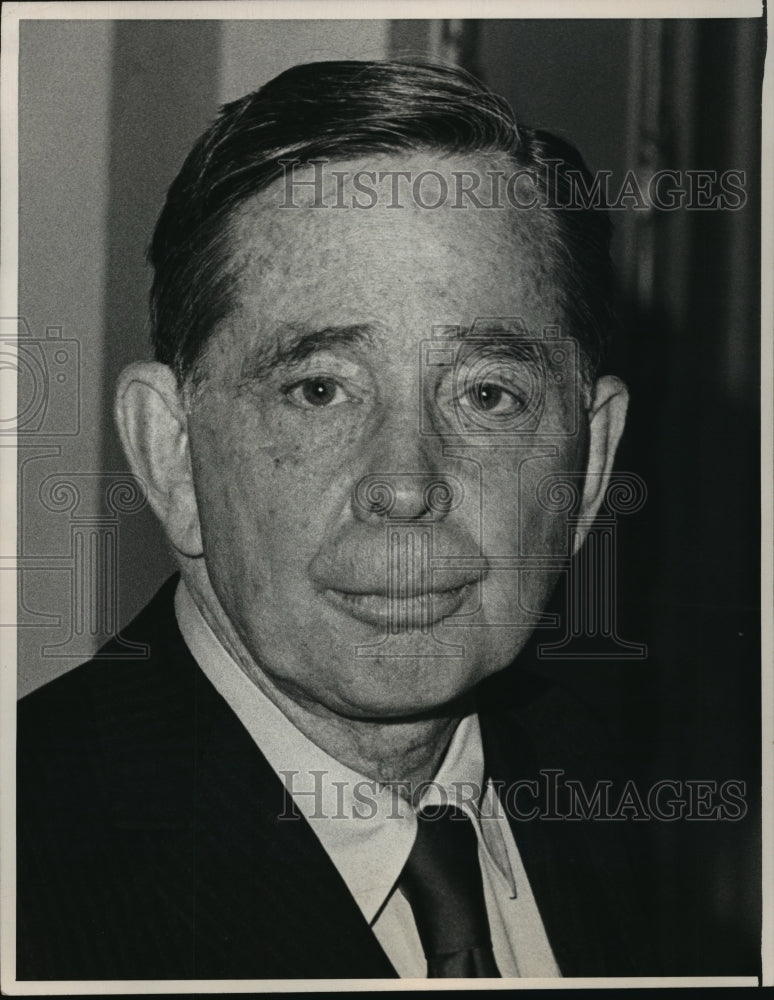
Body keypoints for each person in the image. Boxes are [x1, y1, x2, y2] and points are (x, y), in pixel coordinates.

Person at [18, 60, 647, 981]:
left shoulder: (629, 805)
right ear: (171, 455)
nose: (404, 485)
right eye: (319, 390)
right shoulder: (30, 872)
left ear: (586, 467)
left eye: (486, 393)